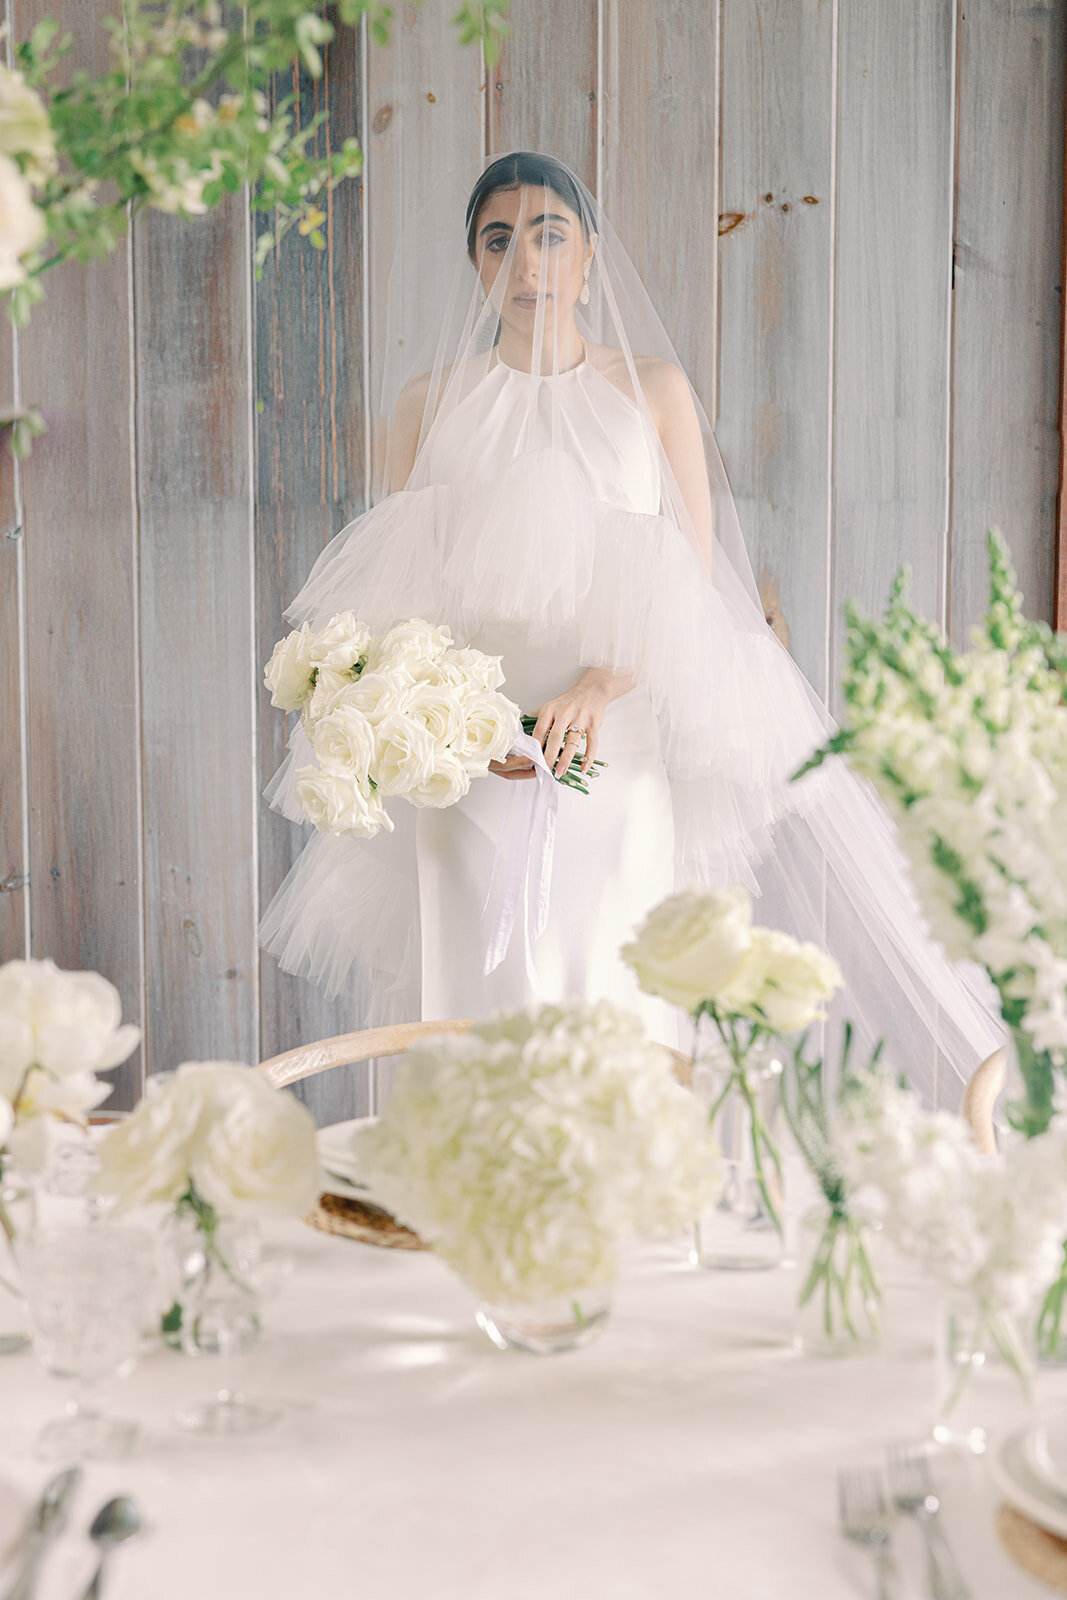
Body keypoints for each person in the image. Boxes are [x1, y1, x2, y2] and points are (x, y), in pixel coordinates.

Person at [260, 150, 1001, 1104]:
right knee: (476, 987)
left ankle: (631, 1192)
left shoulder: (649, 391)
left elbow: (690, 577)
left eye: (549, 236)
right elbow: (406, 600)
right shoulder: (428, 405)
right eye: (500, 240)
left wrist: (599, 686)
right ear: (477, 266)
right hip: (475, 757)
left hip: (616, 738)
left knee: (611, 963)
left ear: (589, 256)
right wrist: (457, 725)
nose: (527, 263)